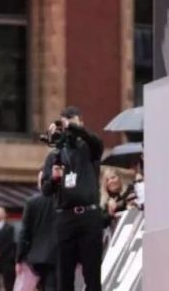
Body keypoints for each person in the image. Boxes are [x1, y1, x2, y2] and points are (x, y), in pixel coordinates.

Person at [40, 106, 104, 291]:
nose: (66, 129)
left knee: (92, 274)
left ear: (80, 123)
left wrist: (73, 127)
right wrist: (54, 179)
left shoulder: (89, 149)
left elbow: (95, 141)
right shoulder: (54, 157)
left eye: (71, 122)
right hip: (65, 217)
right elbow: (45, 190)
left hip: (89, 216)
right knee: (64, 275)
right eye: (63, 124)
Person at [17, 171, 57, 291]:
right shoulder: (65, 201)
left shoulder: (32, 202)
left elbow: (24, 232)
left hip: (36, 259)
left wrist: (19, 258)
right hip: (59, 257)